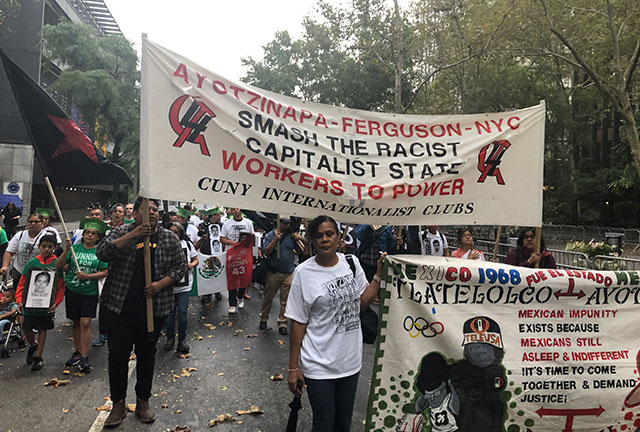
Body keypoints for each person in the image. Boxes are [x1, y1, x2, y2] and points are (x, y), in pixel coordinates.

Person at [286, 215, 385, 431]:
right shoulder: (303, 273)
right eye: (319, 235)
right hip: (318, 364)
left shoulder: (351, 263)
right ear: (312, 240)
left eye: (329, 234)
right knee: (324, 422)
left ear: (338, 236)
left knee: (343, 423)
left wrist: (378, 275)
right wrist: (293, 368)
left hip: (350, 362)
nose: (325, 239)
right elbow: (298, 323)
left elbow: (361, 304)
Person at [96, 197, 185, 427]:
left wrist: (161, 284)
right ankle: (118, 404)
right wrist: (134, 235)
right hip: (119, 307)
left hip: (153, 310)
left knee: (146, 356)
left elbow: (180, 267)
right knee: (117, 357)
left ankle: (143, 401)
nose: (152, 213)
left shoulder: (168, 238)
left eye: (155, 210)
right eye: (147, 210)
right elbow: (102, 253)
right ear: (134, 213)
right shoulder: (121, 231)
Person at [56, 218, 109, 372]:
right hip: (72, 291)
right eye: (87, 232)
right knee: (76, 322)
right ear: (83, 234)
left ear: (98, 237)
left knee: (85, 322)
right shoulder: (74, 249)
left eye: (93, 233)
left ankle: (85, 356)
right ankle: (78, 352)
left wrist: (88, 276)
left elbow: (105, 271)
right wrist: (66, 249)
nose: (90, 235)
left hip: (89, 293)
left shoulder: (100, 252)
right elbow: (58, 266)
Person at [14, 235, 65, 371]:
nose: (46, 249)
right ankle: (32, 345)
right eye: (44, 246)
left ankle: (38, 356)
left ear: (55, 248)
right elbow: (22, 283)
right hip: (29, 304)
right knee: (27, 327)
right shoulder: (31, 263)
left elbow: (60, 286)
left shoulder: (56, 264)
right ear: (39, 247)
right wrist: (19, 300)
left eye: (50, 247)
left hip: (46, 305)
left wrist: (56, 302)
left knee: (43, 329)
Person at [259, 216, 304, 335]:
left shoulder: (291, 236)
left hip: (288, 271)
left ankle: (282, 322)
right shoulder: (269, 235)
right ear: (278, 223)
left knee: (285, 299)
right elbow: (266, 252)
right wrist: (275, 240)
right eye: (284, 223)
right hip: (273, 272)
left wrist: (300, 240)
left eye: (288, 223)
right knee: (268, 297)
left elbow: (301, 252)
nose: (286, 226)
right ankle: (264, 318)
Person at [164, 222, 198, 354]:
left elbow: (196, 259)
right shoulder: (165, 245)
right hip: (169, 286)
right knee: (170, 314)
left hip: (184, 285)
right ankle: (170, 338)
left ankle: (182, 340)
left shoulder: (187, 245)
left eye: (176, 231)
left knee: (182, 312)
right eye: (171, 231)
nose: (173, 234)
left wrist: (191, 265)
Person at [220, 208, 254, 314]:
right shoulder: (227, 223)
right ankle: (232, 303)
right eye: (233, 209)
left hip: (244, 255)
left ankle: (240, 296)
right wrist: (233, 243)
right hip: (231, 254)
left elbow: (252, 237)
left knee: (244, 276)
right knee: (232, 278)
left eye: (237, 208)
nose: (235, 211)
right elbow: (222, 239)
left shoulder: (248, 222)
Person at [1, 213, 46, 289]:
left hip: (39, 275)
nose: (33, 224)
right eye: (30, 221)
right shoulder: (20, 235)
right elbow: (9, 251)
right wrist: (5, 266)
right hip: (20, 274)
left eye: (36, 221)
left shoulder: (46, 236)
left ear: (42, 223)